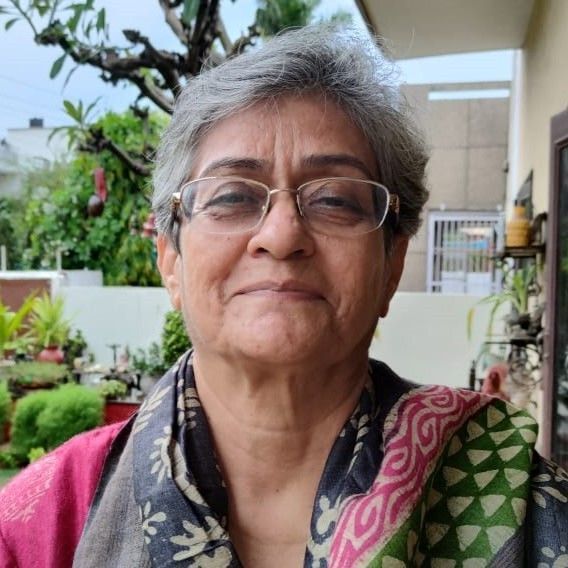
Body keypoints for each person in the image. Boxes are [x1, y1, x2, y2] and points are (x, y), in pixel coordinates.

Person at [1, 25, 566, 568]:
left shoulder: (523, 508)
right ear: (170, 260)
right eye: (231, 197)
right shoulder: (41, 524)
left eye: (335, 200)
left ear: (392, 263)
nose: (281, 234)